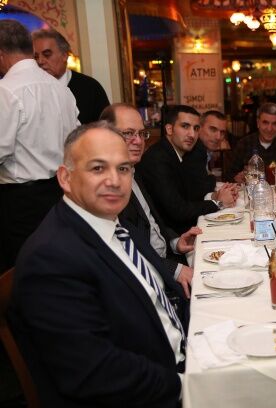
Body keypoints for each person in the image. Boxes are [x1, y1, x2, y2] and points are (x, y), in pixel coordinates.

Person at [10, 122, 185, 407]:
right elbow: (93, 371)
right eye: (98, 168)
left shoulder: (116, 224)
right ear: (65, 178)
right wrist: (186, 385)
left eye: (123, 168)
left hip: (176, 359)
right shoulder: (50, 258)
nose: (114, 180)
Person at [0, 20, 79, 271]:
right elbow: (78, 142)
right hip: (62, 193)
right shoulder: (61, 89)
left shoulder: (5, 91)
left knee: (25, 271)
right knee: (60, 264)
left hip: (21, 202)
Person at [100, 103, 201, 297]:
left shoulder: (133, 172)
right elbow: (124, 253)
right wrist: (174, 270)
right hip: (149, 279)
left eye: (141, 133)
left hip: (166, 258)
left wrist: (175, 242)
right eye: (128, 133)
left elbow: (152, 222)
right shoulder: (108, 189)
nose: (138, 141)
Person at [137, 105, 236, 234]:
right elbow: (178, 211)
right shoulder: (158, 159)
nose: (192, 134)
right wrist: (218, 203)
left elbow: (190, 197)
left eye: (196, 128)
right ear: (169, 129)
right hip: (168, 236)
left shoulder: (175, 153)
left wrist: (214, 196)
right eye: (185, 126)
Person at [32, 28, 110, 124]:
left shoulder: (91, 88)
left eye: (47, 55)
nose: (40, 61)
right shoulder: (30, 90)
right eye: (36, 57)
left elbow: (106, 127)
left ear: (64, 55)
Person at [228, 102, 276, 183]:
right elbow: (229, 174)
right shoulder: (244, 143)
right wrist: (237, 177)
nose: (269, 129)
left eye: (275, 124)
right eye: (265, 122)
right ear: (258, 123)